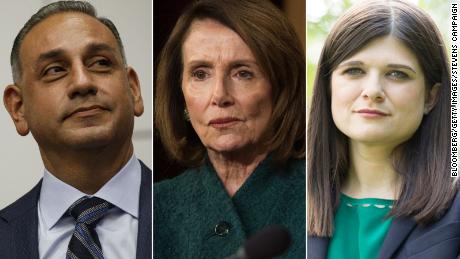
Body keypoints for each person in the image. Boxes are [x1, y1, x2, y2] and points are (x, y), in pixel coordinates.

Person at [307, 0, 460, 258]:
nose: (372, 91)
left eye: (397, 74)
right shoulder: (290, 198)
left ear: (431, 97)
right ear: (328, 86)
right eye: (354, 70)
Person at [154, 0, 305, 258]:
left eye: (243, 73)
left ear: (281, 88)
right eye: (200, 74)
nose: (219, 95)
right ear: (181, 96)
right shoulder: (155, 206)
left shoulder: (321, 194)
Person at [0, 1, 151, 259]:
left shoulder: (186, 208)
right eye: (55, 70)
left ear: (134, 90)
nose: (83, 82)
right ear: (19, 108)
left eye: (101, 63)